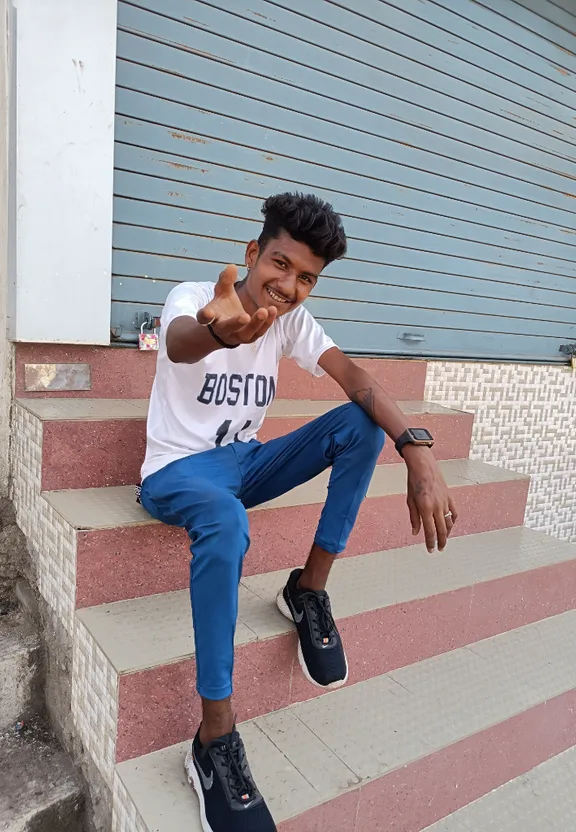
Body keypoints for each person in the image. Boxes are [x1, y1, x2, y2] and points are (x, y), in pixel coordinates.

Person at [139, 192, 457, 832]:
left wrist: (415, 446)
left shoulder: (289, 320)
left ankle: (308, 590)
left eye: (306, 277)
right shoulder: (194, 297)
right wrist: (215, 331)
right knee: (227, 521)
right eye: (279, 265)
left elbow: (352, 375)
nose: (287, 285)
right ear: (253, 253)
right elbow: (177, 344)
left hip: (244, 462)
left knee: (362, 427)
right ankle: (214, 737)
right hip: (176, 473)